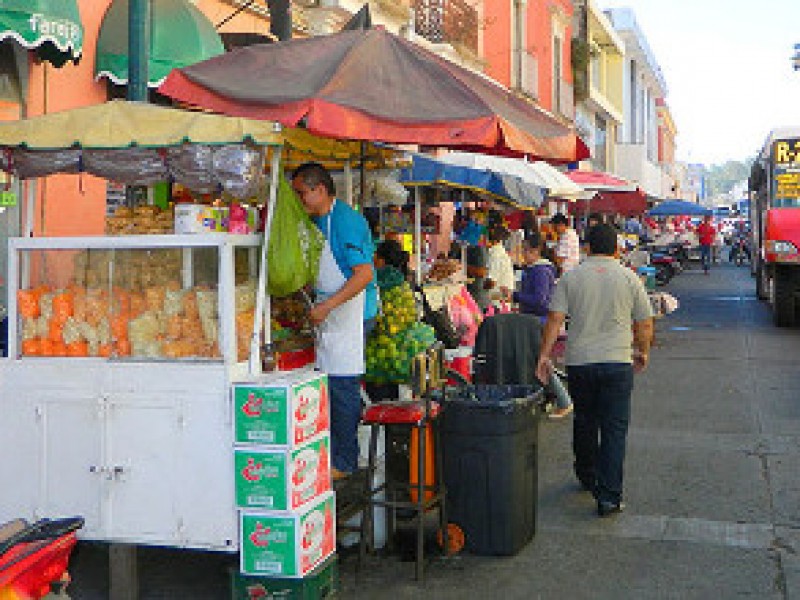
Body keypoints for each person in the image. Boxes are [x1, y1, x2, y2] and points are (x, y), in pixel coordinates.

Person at [535, 224, 654, 517]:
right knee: (614, 429)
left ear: (587, 248)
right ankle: (609, 496)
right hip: (617, 362)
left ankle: (587, 475)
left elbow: (554, 319)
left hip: (581, 363)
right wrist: (643, 351)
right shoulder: (629, 278)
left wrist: (543, 355)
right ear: (616, 249)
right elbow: (645, 322)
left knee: (585, 420)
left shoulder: (571, 277)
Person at [292, 162, 378, 480]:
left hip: (354, 314)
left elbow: (364, 274)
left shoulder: (346, 222)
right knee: (330, 384)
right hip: (332, 310)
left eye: (302, 193)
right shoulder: (318, 221)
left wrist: (327, 305)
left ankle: (345, 461)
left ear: (320, 190)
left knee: (342, 385)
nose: (300, 200)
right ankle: (335, 454)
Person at [485, 226, 515, 304]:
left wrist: (481, 289)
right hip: (500, 300)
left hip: (497, 303)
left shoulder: (496, 255)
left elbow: (492, 282)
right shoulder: (499, 252)